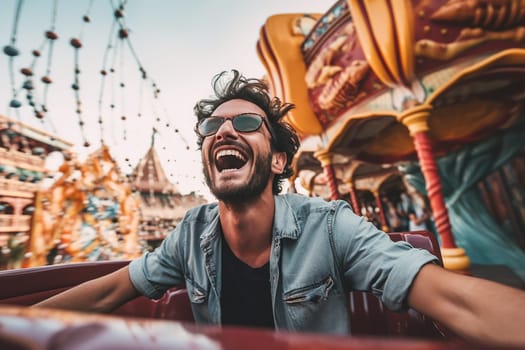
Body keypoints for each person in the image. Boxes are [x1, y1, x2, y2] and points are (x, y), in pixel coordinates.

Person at [34, 70, 525, 348]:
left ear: (279, 159)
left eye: (246, 122)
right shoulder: (190, 234)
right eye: (212, 129)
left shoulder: (331, 226)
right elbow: (108, 293)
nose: (223, 132)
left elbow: (453, 299)